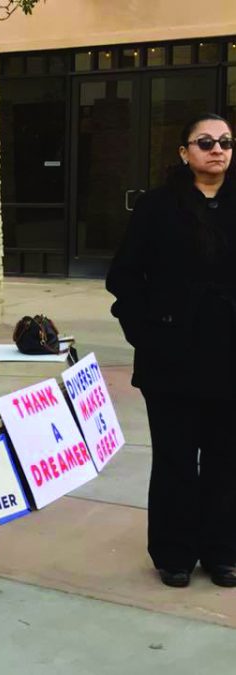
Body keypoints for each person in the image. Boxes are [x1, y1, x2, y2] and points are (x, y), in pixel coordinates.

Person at [107, 113, 236, 589]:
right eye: (205, 142)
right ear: (184, 152)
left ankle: (223, 551)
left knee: (227, 459)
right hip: (172, 357)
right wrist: (146, 333)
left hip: (230, 355)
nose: (216, 149)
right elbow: (123, 277)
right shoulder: (157, 207)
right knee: (176, 458)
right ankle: (175, 553)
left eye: (225, 141)